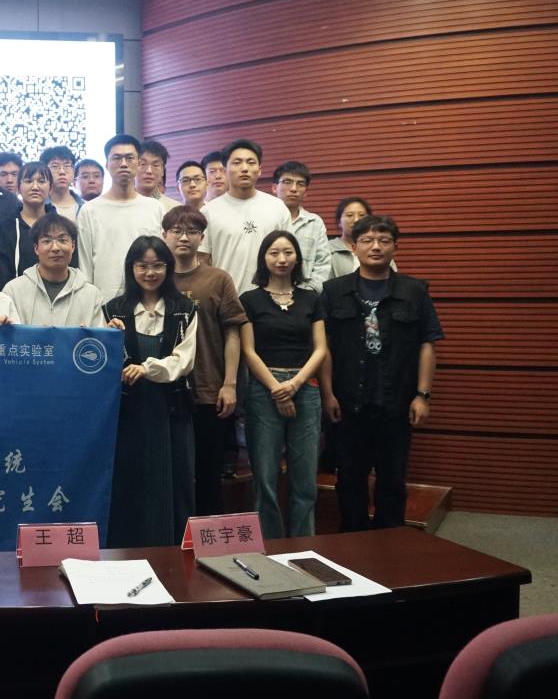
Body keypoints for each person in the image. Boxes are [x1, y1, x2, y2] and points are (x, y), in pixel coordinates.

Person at [321, 215, 444, 531]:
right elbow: (325, 347)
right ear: (354, 247)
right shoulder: (333, 291)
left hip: (397, 402)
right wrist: (327, 393)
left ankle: (390, 544)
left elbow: (427, 344)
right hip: (348, 402)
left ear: (395, 248)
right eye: (367, 240)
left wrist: (423, 395)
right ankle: (353, 543)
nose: (375, 247)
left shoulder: (415, 291)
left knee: (392, 479)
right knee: (349, 479)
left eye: (384, 241)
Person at [103, 235, 197, 547]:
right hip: (128, 413)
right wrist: (107, 338)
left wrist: (147, 369)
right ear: (131, 268)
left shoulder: (185, 309)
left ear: (168, 268)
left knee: (173, 481)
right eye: (142, 265)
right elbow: (100, 363)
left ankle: (170, 550)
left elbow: (184, 360)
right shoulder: (114, 310)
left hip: (170, 410)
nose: (150, 272)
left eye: (157, 265)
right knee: (130, 480)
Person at [240, 231, 326, 539]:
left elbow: (320, 349)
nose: (281, 259)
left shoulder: (312, 298)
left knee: (305, 480)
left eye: (288, 252)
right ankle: (271, 547)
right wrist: (277, 388)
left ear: (298, 258)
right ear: (263, 258)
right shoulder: (249, 300)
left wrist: (294, 384)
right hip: (263, 390)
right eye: (274, 252)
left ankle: (304, 547)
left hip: (306, 387)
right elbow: (248, 351)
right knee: (265, 478)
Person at [163, 205, 246, 513]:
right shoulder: (155, 278)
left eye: (192, 231)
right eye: (176, 231)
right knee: (170, 473)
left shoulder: (218, 279)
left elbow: (233, 333)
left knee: (209, 473)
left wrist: (230, 384)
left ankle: (207, 538)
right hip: (166, 390)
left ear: (202, 238)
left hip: (210, 389)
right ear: (164, 235)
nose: (184, 238)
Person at [77, 134, 168, 300]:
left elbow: (162, 260)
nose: (124, 164)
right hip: (103, 302)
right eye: (117, 158)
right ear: (107, 164)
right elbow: (85, 266)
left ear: (138, 163)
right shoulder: (89, 210)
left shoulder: (155, 208)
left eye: (130, 158)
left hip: (147, 301)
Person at [198, 139, 291, 292]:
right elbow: (202, 260)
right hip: (226, 298)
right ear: (225, 170)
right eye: (237, 162)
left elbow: (288, 254)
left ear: (259, 170)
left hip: (270, 298)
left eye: (251, 162)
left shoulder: (277, 207)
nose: (245, 168)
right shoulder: (208, 212)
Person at [2, 215, 106, 327]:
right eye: (47, 241)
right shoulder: (13, 291)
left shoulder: (91, 295)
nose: (55, 248)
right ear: (36, 248)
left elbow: (99, 336)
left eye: (62, 240)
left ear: (73, 246)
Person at [0, 161, 66, 289]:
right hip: (15, 296)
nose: (35, 187)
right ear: (19, 188)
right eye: (28, 181)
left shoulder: (62, 227)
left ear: (51, 188)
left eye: (41, 181)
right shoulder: (5, 227)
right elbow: (1, 274)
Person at [272, 160, 330, 293]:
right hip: (265, 293)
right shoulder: (264, 218)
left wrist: (308, 292)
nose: (294, 189)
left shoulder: (315, 222)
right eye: (287, 182)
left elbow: (323, 264)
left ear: (306, 192)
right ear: (274, 188)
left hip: (306, 295)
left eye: (300, 184)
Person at [328, 196, 397, 279]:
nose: (356, 220)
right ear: (339, 221)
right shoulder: (327, 249)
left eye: (362, 215)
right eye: (350, 215)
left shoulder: (380, 248)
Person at [41, 145, 84, 221]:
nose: (62, 172)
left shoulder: (85, 207)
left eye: (67, 166)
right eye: (55, 166)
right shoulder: (38, 207)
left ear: (73, 171)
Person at [137, 140, 181, 211]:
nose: (149, 171)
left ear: (163, 171)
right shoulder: (123, 205)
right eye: (143, 164)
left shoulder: (175, 209)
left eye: (156, 165)